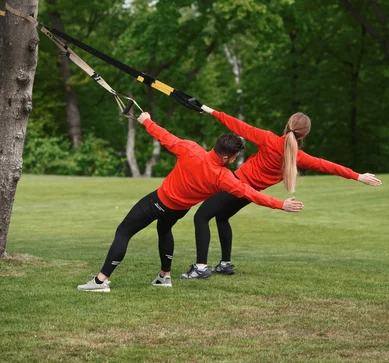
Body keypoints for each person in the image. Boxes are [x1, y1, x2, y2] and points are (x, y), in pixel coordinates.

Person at [77, 112, 304, 292]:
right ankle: (164, 277)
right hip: (179, 209)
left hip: (160, 200)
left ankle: (100, 281)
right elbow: (250, 193)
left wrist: (146, 121)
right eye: (235, 157)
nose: (235, 161)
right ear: (227, 157)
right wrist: (280, 204)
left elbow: (165, 137)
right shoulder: (225, 177)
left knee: (124, 231)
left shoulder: (191, 150)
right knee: (164, 229)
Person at [180, 107, 382, 279]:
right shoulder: (298, 157)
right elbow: (326, 165)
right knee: (222, 217)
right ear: (304, 135)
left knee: (201, 216)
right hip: (250, 193)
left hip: (237, 184)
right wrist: (357, 176)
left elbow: (239, 126)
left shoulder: (269, 139)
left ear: (288, 126)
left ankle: (200, 268)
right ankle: (225, 264)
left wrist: (210, 111)